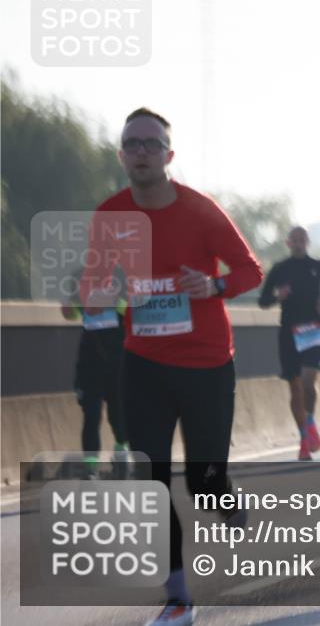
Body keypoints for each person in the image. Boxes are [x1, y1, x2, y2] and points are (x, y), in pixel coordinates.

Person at [82, 107, 263, 625]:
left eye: (152, 144)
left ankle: (222, 496)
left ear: (169, 155)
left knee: (203, 484)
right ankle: (178, 597)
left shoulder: (200, 210)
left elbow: (250, 271)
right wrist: (99, 293)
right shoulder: (110, 215)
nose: (141, 152)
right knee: (150, 479)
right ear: (121, 155)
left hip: (207, 364)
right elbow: (92, 286)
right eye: (132, 144)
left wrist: (214, 285)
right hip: (144, 364)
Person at [258, 227, 320, 461]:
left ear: (307, 242)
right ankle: (304, 438)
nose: (298, 243)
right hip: (288, 333)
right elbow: (263, 301)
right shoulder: (279, 269)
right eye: (294, 240)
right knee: (295, 388)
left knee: (308, 381)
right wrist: (278, 297)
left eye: (302, 239)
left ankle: (310, 422)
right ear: (288, 243)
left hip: (313, 330)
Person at [61, 266, 129, 473]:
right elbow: (74, 312)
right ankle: (91, 467)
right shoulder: (79, 276)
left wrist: (113, 302)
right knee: (91, 416)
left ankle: (121, 452)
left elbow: (133, 310)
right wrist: (68, 309)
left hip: (118, 361)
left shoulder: (121, 274)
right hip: (90, 363)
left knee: (118, 416)